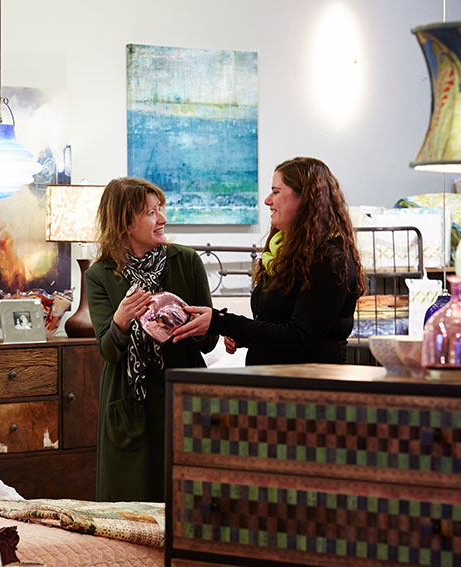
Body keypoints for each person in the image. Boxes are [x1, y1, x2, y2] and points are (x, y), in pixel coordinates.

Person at [84, 177, 217, 502]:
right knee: (127, 504)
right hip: (130, 400)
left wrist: (202, 326)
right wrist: (120, 320)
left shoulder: (186, 262)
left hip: (182, 392)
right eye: (151, 212)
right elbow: (109, 351)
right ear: (125, 223)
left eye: (161, 210)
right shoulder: (100, 274)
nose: (162, 219)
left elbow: (208, 342)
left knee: (189, 498)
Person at [172, 157, 365, 365]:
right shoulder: (281, 252)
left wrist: (223, 323)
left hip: (307, 388)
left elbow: (298, 338)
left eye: (276, 191)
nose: (267, 200)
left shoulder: (329, 259)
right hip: (275, 382)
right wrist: (242, 335)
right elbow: (274, 325)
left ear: (306, 198)